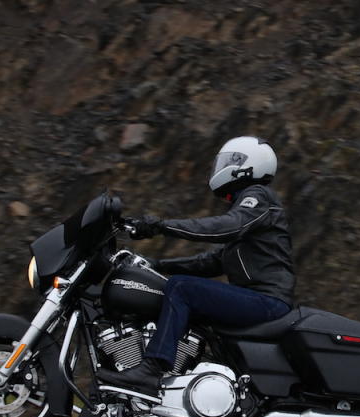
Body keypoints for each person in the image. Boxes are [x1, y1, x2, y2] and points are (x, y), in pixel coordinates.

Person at [97, 136, 295, 394]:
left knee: (182, 289)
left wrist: (160, 226)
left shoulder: (258, 198)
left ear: (248, 165)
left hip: (267, 300)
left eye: (229, 161)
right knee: (177, 286)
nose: (220, 167)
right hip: (258, 298)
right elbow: (211, 262)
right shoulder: (251, 211)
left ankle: (152, 369)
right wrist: (155, 265)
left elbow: (225, 227)